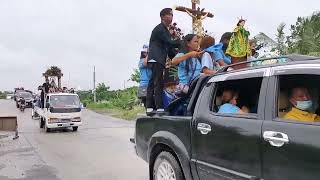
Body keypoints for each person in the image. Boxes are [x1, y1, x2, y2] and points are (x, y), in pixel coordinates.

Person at [146, 8, 180, 115]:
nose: (171, 17)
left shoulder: (165, 30)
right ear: (162, 17)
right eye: (169, 15)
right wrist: (182, 43)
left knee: (153, 82)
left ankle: (150, 106)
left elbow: (169, 49)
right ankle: (159, 107)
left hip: (159, 58)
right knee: (158, 82)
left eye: (172, 15)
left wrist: (177, 59)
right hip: (156, 58)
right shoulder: (160, 29)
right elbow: (170, 42)